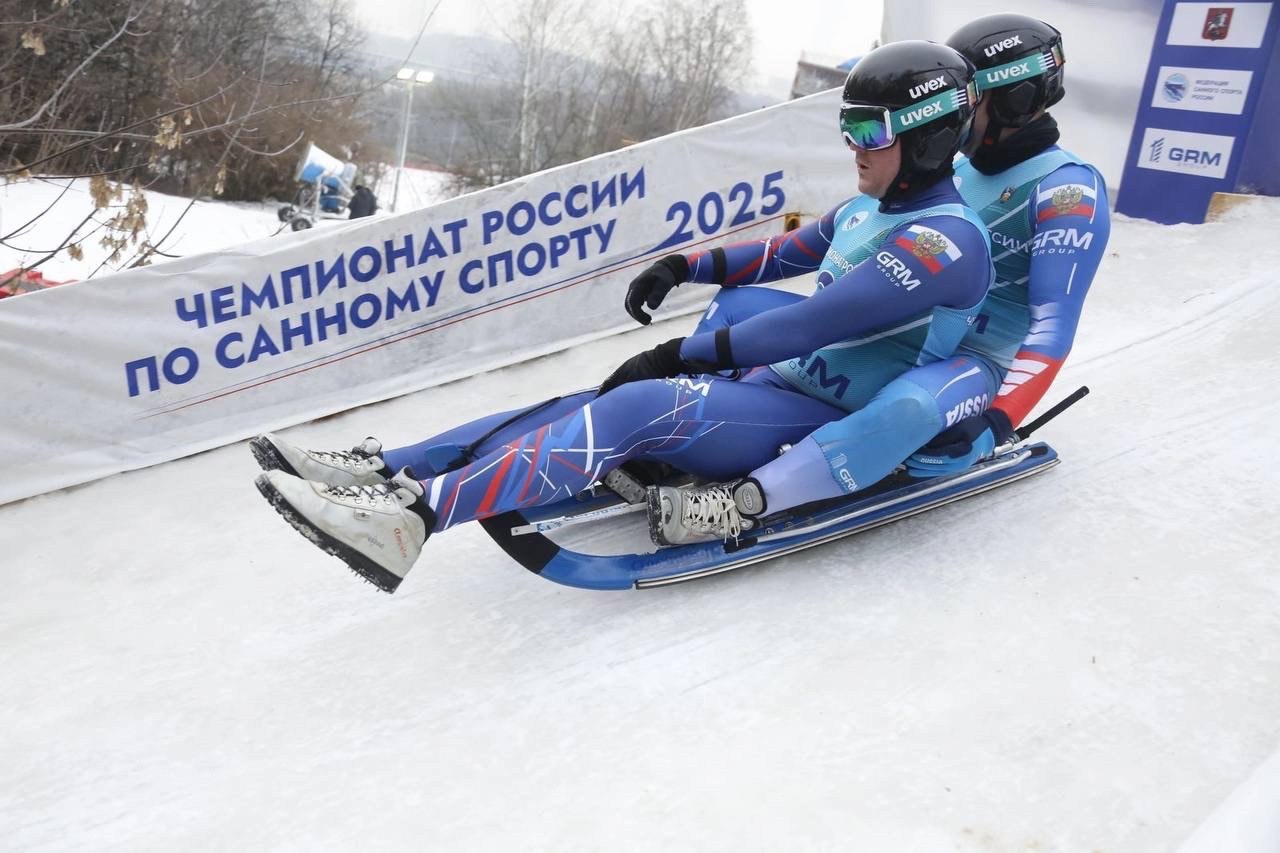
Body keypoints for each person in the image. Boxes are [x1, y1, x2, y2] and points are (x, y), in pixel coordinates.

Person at [253, 41, 996, 593]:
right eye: (849, 128)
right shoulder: (871, 205)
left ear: (928, 137)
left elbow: (814, 324)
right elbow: (779, 257)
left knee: (638, 401)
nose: (853, 147)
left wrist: (683, 353)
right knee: (592, 402)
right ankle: (392, 471)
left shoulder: (947, 242)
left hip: (825, 421)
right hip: (782, 389)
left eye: (871, 134)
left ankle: (411, 521)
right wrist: (686, 265)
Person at [903, 14, 1110, 476]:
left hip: (969, 370)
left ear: (1014, 100)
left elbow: (1052, 324)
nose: (951, 118)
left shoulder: (1068, 190)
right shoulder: (953, 168)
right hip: (905, 342)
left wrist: (997, 422)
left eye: (967, 102)